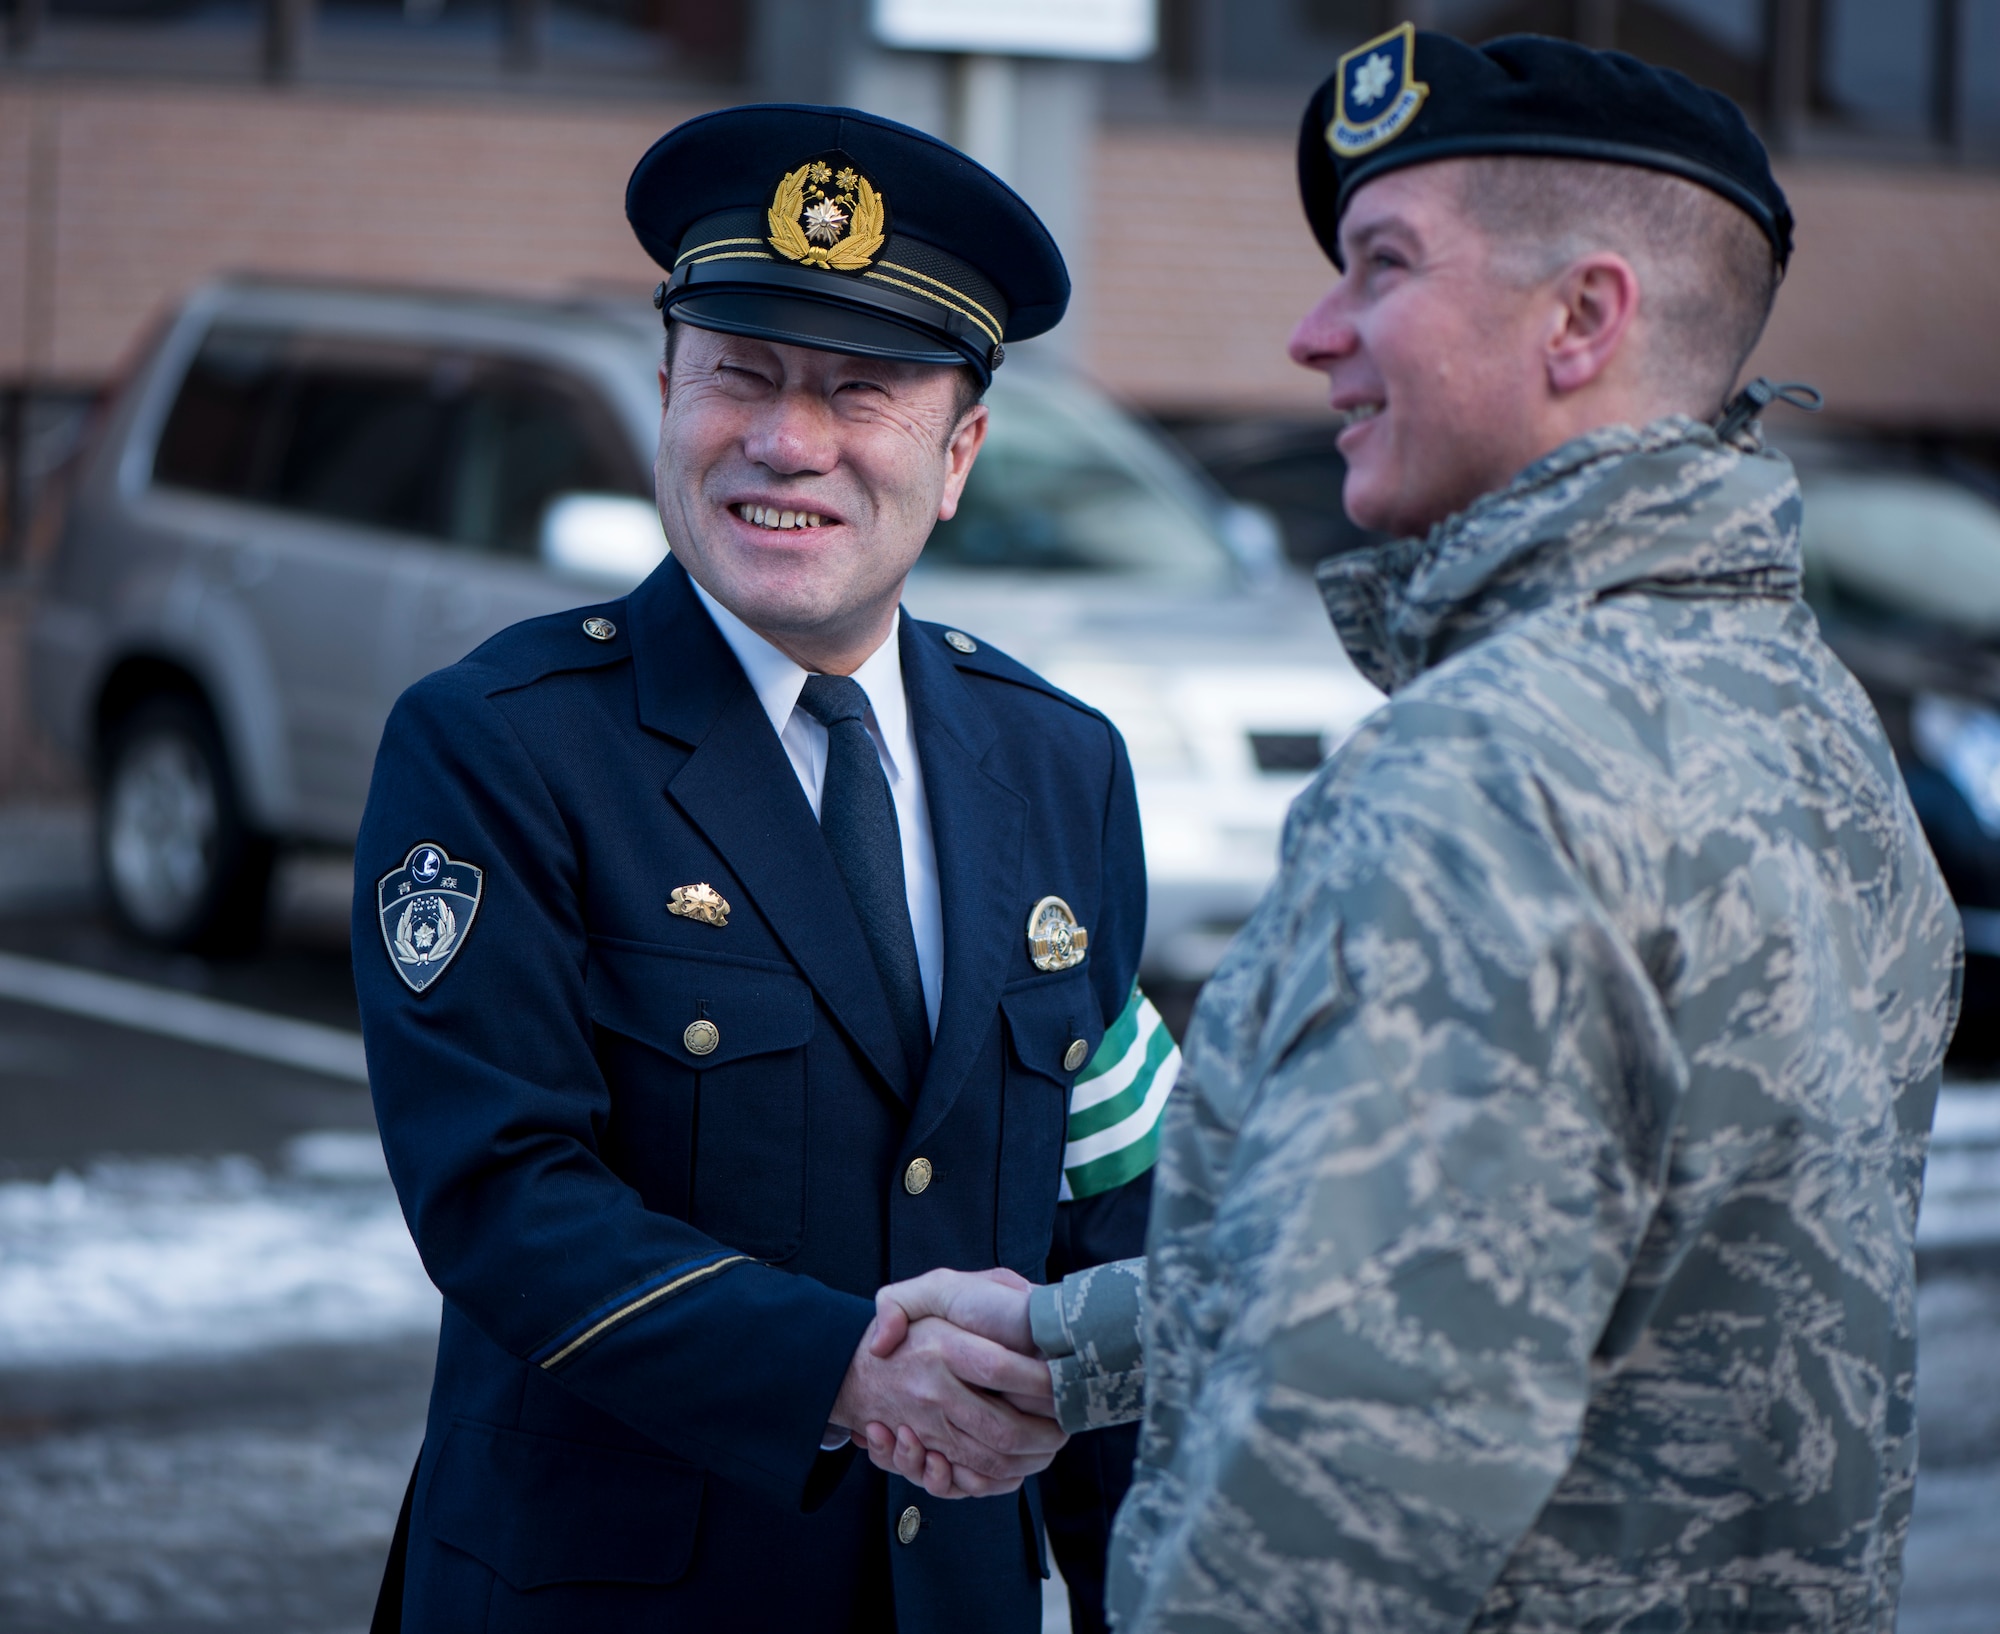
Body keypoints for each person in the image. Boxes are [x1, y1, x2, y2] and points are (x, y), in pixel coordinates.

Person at [866, 28, 1964, 1633]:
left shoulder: (1489, 769)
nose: (1317, 335)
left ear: (1583, 317)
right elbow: (1570, 1281)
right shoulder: (1805, 711)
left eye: (1379, 269)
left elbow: (1351, 1479)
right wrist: (1074, 1342)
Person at [352, 104, 1177, 1634]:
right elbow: (501, 1192)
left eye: (859, 388)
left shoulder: (1063, 763)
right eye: (740, 371)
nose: (785, 441)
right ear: (669, 388)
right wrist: (849, 1374)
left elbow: (1107, 1207)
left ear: (960, 452)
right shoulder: (499, 745)